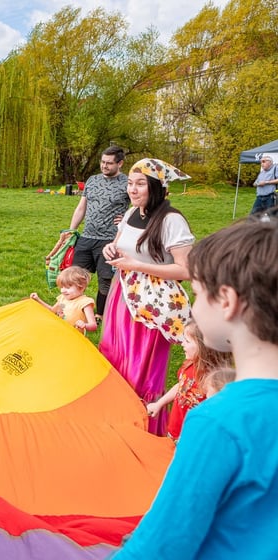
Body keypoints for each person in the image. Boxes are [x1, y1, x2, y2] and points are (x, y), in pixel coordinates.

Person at [111, 214, 278, 559]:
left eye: (197, 294)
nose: (193, 304)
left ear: (227, 302)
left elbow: (159, 547)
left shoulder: (219, 421)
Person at [99, 158, 194, 436]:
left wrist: (137, 266)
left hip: (153, 306)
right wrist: (110, 250)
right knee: (115, 357)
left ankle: (142, 428)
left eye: (140, 184)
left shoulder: (171, 220)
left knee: (142, 367)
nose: (133, 189)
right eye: (130, 183)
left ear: (156, 187)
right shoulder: (130, 213)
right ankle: (115, 420)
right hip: (122, 294)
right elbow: (120, 245)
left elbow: (185, 270)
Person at [68, 145, 130, 314]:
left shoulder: (128, 183)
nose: (104, 166)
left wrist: (126, 219)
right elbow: (81, 207)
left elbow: (141, 206)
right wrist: (71, 230)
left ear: (120, 163)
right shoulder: (92, 180)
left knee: (105, 281)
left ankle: (100, 315)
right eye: (102, 162)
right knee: (74, 276)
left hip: (110, 241)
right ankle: (70, 310)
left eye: (109, 163)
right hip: (86, 238)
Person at [146, 321, 232, 441]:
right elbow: (181, 385)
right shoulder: (190, 365)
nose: (182, 344)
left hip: (192, 439)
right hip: (174, 430)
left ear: (204, 348)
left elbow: (214, 416)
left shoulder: (213, 382)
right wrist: (159, 404)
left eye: (187, 341)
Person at [30, 265, 97, 333]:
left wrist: (85, 325)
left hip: (74, 338)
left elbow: (93, 326)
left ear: (81, 287)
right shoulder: (63, 298)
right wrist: (38, 300)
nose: (63, 290)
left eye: (67, 287)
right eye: (62, 287)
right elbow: (52, 311)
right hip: (61, 332)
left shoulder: (85, 303)